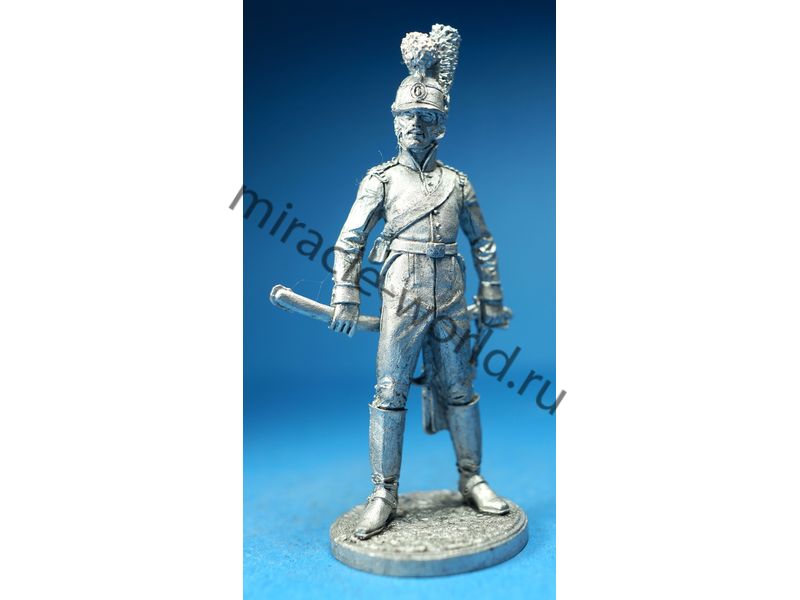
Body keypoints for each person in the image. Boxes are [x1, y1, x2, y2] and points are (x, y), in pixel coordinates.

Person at [329, 25, 511, 540]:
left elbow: (483, 241)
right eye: (405, 115)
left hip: (451, 290)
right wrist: (345, 292)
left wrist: (491, 295)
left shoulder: (458, 183)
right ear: (395, 121)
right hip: (401, 291)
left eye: (424, 116)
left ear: (440, 125)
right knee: (389, 391)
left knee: (460, 389)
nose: (413, 124)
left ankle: (472, 477)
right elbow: (350, 240)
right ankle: (383, 492)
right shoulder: (381, 179)